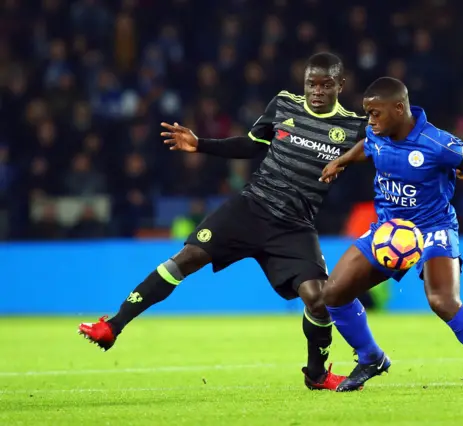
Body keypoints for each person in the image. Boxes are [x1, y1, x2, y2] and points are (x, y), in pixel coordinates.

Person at [78, 53, 368, 391]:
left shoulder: (353, 127)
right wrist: (200, 144)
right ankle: (113, 326)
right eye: (311, 84)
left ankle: (316, 375)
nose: (316, 91)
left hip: (294, 224)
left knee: (318, 298)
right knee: (186, 258)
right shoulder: (284, 104)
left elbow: (388, 149)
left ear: (340, 86)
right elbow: (250, 145)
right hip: (250, 207)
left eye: (326, 85)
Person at [319, 77, 463, 392]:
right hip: (390, 232)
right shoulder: (376, 133)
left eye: (376, 113)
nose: (370, 121)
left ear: (399, 108)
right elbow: (367, 146)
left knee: (443, 301)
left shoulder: (438, 143)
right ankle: (370, 358)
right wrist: (341, 161)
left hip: (433, 228)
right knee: (333, 294)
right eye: (367, 113)